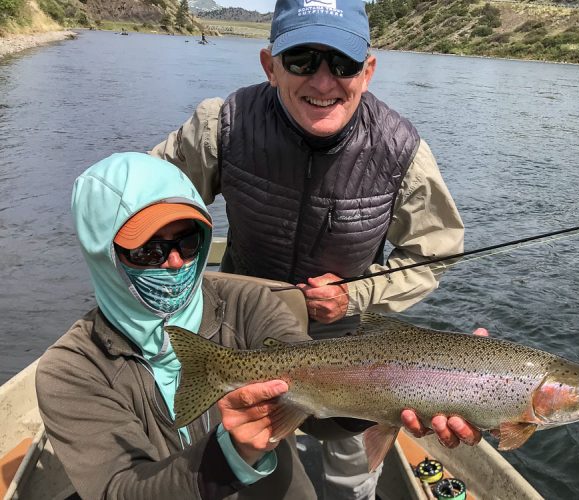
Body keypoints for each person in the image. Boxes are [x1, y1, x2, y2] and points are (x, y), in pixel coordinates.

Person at [150, 0, 481, 498]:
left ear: (367, 72)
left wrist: (359, 295)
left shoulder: (402, 152)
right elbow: (146, 201)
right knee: (245, 460)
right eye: (302, 59)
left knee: (350, 474)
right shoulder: (221, 124)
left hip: (352, 357)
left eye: (343, 64)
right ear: (270, 65)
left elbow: (436, 251)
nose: (323, 82)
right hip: (238, 337)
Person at [36, 152, 322, 499]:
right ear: (103, 255)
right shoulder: (71, 370)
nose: (175, 262)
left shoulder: (249, 304)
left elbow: (324, 397)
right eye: (148, 251)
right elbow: (119, 490)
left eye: (188, 241)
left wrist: (377, 402)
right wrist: (229, 455)